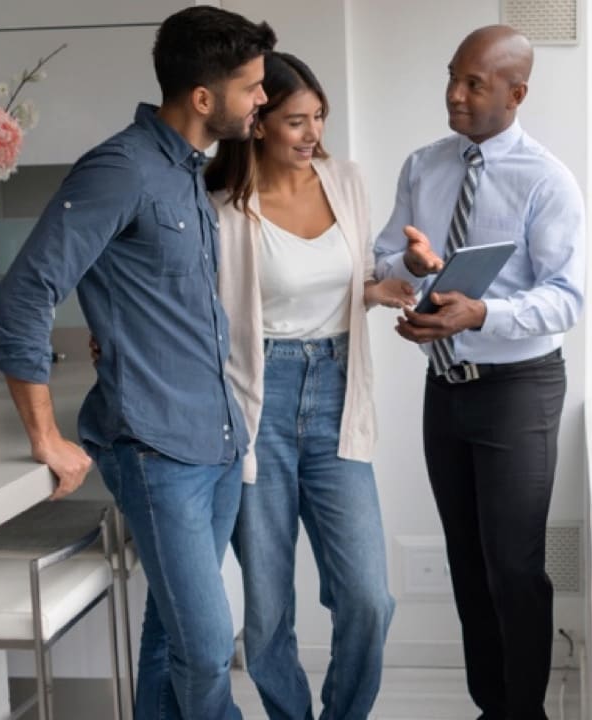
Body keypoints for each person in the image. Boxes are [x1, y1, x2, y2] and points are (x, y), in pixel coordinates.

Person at [0, 7, 274, 719]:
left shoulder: (187, 174)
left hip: (216, 440)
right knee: (208, 648)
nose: (263, 99)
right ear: (204, 98)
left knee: (171, 639)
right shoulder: (120, 169)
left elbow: (156, 299)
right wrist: (45, 435)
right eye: (253, 87)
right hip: (155, 449)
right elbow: (26, 291)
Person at [373, 25, 584, 720]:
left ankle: (525, 713)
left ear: (516, 94)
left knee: (514, 569)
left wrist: (480, 314)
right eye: (452, 77)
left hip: (517, 393)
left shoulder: (547, 180)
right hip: (445, 389)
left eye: (475, 84)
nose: (455, 95)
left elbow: (566, 297)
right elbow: (383, 258)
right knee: (468, 565)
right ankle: (491, 709)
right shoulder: (422, 165)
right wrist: (414, 267)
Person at [207, 51, 410, 720]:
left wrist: (386, 288)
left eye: (320, 117)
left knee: (368, 597)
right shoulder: (223, 207)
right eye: (297, 120)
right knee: (267, 611)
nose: (314, 133)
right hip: (257, 403)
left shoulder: (346, 182)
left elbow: (354, 284)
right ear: (259, 122)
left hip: (337, 392)